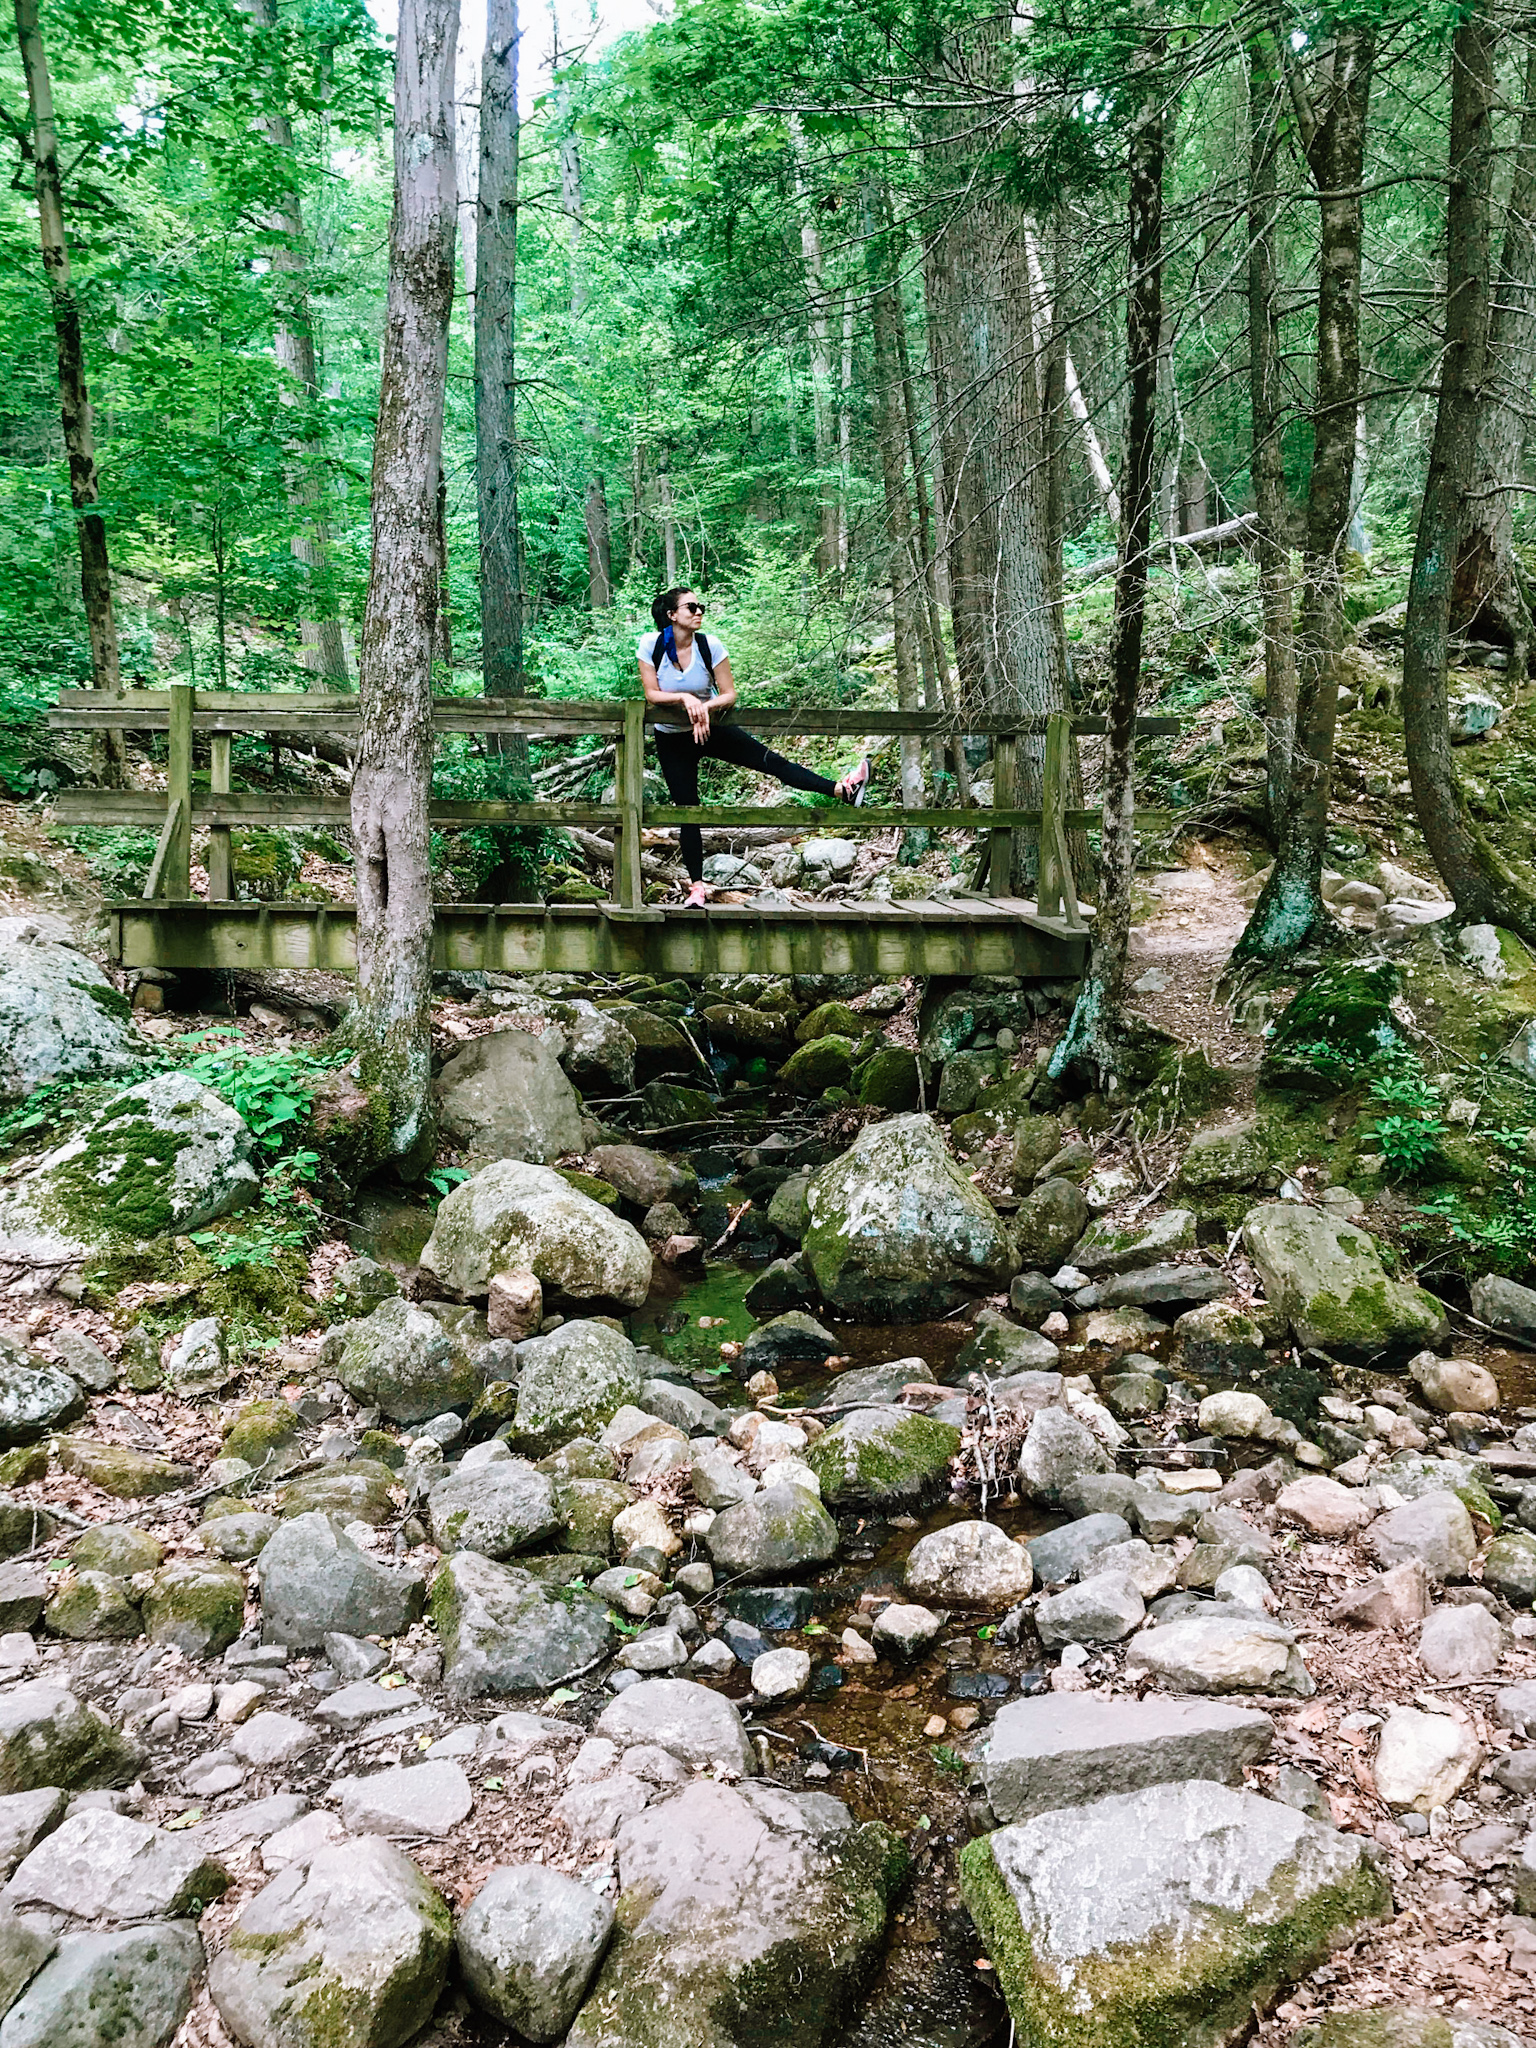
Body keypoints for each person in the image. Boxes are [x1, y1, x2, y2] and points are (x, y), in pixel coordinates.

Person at [638, 586, 870, 906]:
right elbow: (652, 694)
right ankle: (696, 887)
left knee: (770, 762)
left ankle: (842, 791)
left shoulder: (710, 645)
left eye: (700, 606)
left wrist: (705, 708)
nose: (699, 611)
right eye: (691, 607)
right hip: (673, 738)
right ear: (672, 615)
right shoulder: (652, 645)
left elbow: (729, 694)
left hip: (712, 728)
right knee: (687, 810)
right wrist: (685, 697)